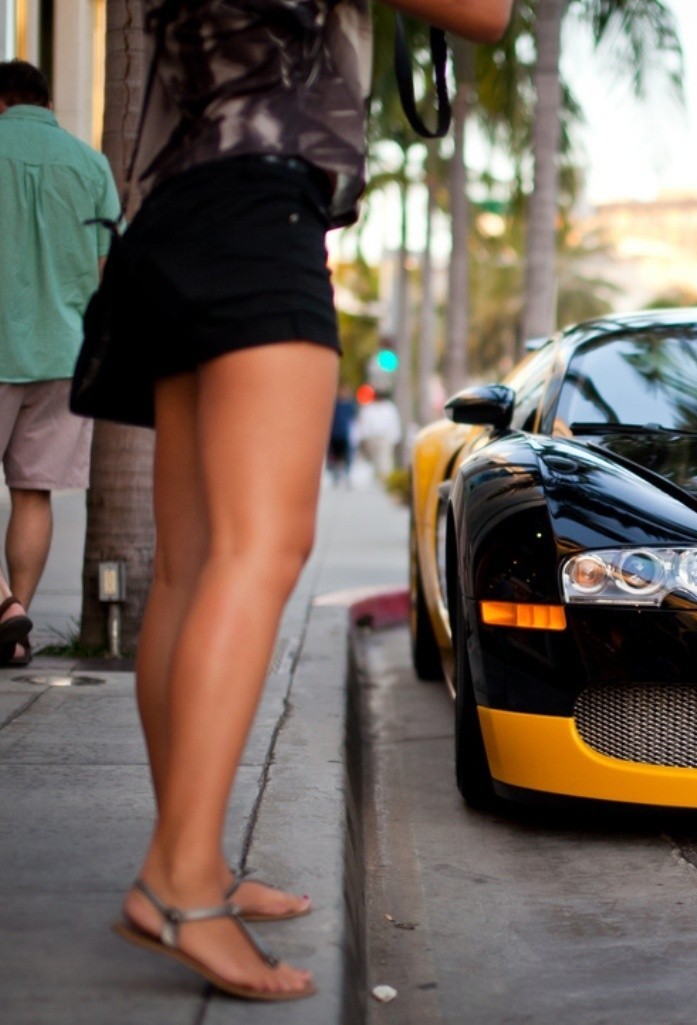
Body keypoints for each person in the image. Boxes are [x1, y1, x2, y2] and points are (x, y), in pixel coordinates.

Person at [83, 0, 513, 1001]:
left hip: (174, 206)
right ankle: (181, 882)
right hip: (258, 202)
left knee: (196, 564)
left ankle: (188, 858)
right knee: (259, 549)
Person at [0, 61, 120, 666]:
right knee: (32, 492)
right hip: (62, 355)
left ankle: (4, 609)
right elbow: (107, 276)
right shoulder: (92, 165)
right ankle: (14, 626)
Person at [327, 384, 358, 486]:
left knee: (345, 456)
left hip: (345, 434)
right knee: (334, 456)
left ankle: (345, 475)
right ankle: (336, 475)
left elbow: (354, 419)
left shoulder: (350, 405)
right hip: (335, 433)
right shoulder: (334, 404)